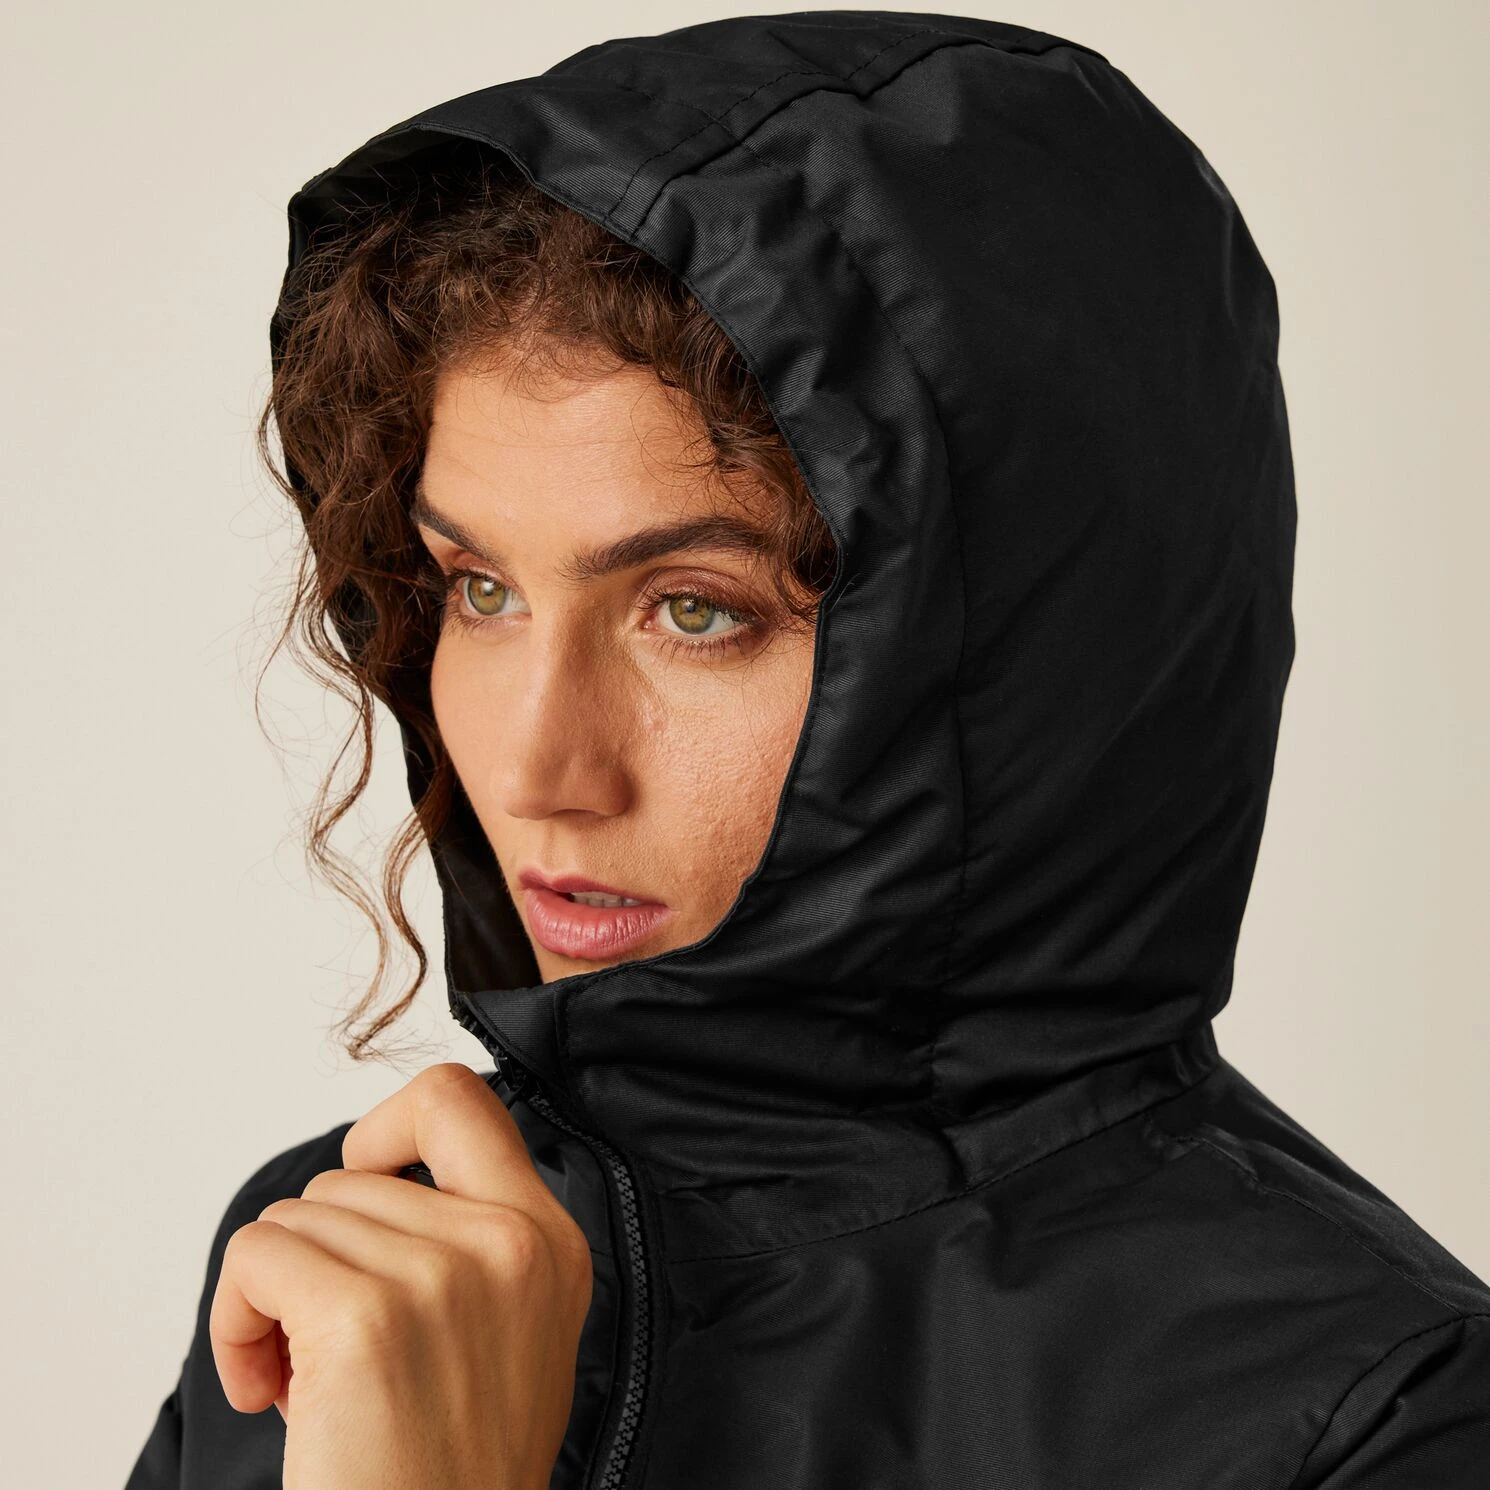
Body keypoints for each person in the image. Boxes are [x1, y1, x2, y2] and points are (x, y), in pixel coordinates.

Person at [125, 12, 1490, 1489]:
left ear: (1024, 657)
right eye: (481, 589)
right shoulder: (348, 1270)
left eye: (695, 610)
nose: (533, 770)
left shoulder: (1375, 1420)